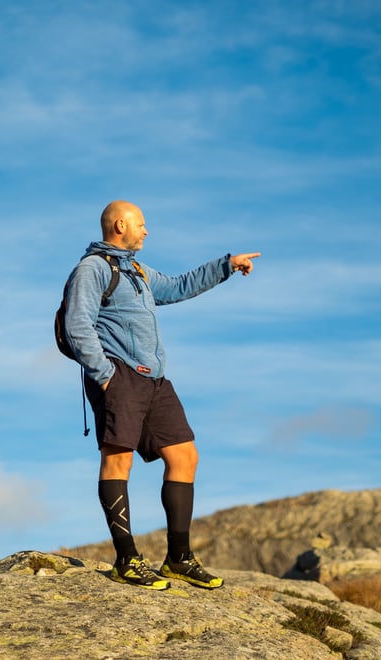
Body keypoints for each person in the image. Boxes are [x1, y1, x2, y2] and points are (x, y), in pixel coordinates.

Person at [62, 200, 260, 591]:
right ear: (120, 225)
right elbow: (76, 325)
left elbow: (178, 286)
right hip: (119, 377)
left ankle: (178, 559)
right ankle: (126, 559)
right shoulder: (93, 269)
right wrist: (106, 376)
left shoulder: (136, 270)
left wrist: (226, 265)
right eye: (141, 224)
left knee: (185, 455)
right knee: (117, 460)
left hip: (154, 380)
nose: (146, 230)